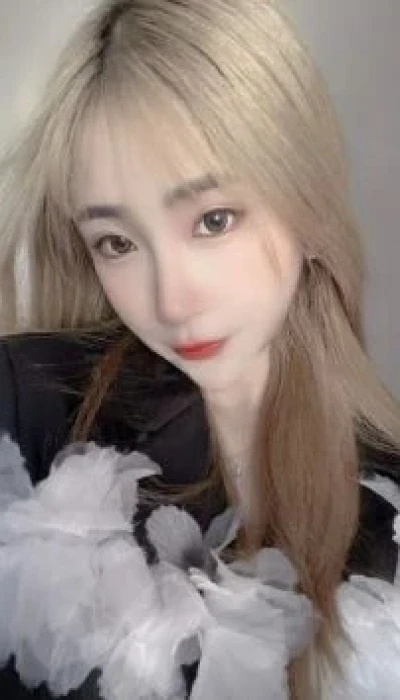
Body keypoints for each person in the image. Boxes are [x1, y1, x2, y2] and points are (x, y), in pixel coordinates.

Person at [1, 0, 400, 698]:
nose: (172, 302)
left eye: (213, 220)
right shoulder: (24, 408)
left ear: (306, 205)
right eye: (116, 242)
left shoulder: (388, 492)